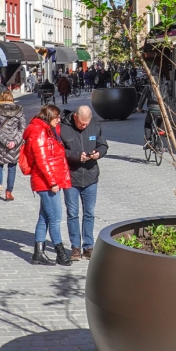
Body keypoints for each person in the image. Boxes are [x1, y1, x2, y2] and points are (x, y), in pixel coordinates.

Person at [23, 104, 72, 266]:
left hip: (50, 179)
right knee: (55, 218)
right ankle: (60, 252)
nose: (59, 120)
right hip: (46, 182)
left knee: (44, 217)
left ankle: (38, 253)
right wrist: (52, 182)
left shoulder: (47, 130)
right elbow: (42, 160)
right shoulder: (39, 132)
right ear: (49, 116)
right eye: (56, 117)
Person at [60, 106, 108, 261]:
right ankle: (75, 247)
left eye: (86, 123)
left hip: (90, 176)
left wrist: (98, 153)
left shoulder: (94, 125)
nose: (84, 126)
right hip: (71, 178)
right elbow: (59, 151)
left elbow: (103, 145)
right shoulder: (63, 127)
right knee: (72, 214)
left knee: (89, 213)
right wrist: (75, 156)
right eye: (81, 123)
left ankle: (88, 246)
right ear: (75, 117)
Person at [0, 90, 26, 201]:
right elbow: (22, 128)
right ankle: (9, 192)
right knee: (12, 168)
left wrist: (5, 141)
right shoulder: (19, 110)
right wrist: (15, 141)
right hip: (15, 143)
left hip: (1, 144)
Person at [137, 79, 168, 144]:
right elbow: (167, 98)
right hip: (161, 109)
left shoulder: (148, 87)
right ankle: (159, 144)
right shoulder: (164, 87)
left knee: (147, 123)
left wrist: (139, 107)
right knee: (159, 126)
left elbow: (143, 98)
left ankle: (149, 140)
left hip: (152, 108)